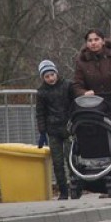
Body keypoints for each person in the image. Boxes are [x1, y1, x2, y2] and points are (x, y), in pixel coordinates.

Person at [35, 59, 75, 199]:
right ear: (43, 78)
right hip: (53, 131)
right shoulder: (41, 93)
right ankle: (63, 190)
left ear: (56, 73)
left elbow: (75, 103)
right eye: (47, 76)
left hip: (69, 128)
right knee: (57, 163)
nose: (51, 78)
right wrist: (42, 132)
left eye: (52, 74)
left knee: (71, 158)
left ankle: (75, 187)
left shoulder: (68, 85)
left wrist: (75, 121)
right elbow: (40, 113)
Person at [72, 29, 111, 120]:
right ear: (87, 44)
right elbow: (77, 85)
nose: (93, 43)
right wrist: (84, 93)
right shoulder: (81, 62)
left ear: (103, 41)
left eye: (96, 39)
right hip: (92, 106)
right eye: (90, 40)